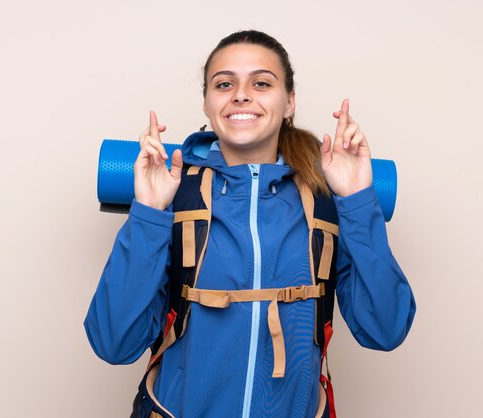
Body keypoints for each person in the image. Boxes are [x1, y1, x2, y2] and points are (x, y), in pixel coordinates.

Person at [85, 30, 416, 418]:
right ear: (208, 105)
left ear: (289, 102)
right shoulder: (173, 193)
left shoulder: (328, 201)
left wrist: (359, 200)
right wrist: (148, 212)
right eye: (224, 84)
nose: (241, 94)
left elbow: (386, 330)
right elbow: (113, 343)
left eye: (261, 83)